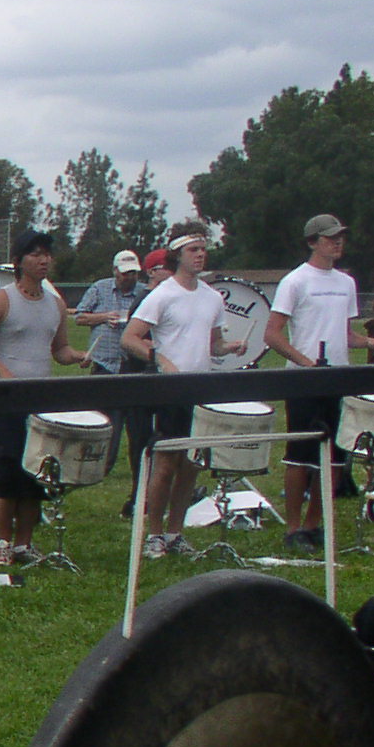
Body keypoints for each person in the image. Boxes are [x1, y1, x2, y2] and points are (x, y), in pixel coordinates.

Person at [0, 232, 89, 567]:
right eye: (36, 254)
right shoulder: (3, 299)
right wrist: (1, 371)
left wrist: (75, 355)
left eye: (48, 254)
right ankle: (4, 542)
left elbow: (58, 350)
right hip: (5, 399)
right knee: (5, 471)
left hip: (40, 400)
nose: (44, 260)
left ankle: (25, 543)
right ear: (19, 261)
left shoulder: (56, 304)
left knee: (37, 471)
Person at [122, 227, 246, 557]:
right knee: (164, 464)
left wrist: (229, 347)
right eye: (193, 249)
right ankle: (155, 534)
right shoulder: (162, 295)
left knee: (192, 465)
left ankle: (176, 533)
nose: (200, 254)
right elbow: (130, 337)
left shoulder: (212, 297)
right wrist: (159, 359)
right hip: (170, 391)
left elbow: (214, 344)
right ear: (178, 255)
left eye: (203, 249)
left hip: (200, 391)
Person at [265, 213, 374, 549]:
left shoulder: (346, 283)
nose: (338, 242)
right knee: (301, 454)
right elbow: (272, 334)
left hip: (337, 378)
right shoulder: (295, 281)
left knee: (332, 455)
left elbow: (345, 335)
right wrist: (306, 363)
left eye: (341, 237)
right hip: (304, 380)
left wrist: (370, 343)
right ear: (313, 242)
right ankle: (292, 528)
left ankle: (315, 524)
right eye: (330, 237)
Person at [76, 250, 154, 509]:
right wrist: (104, 317)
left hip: (132, 369)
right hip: (104, 364)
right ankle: (97, 467)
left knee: (135, 425)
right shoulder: (100, 289)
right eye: (125, 273)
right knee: (103, 423)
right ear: (115, 271)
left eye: (133, 273)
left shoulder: (144, 293)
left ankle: (137, 471)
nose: (129, 278)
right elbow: (80, 316)